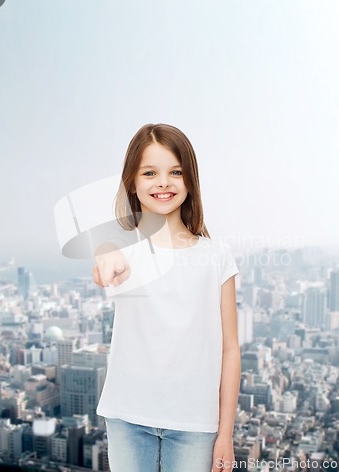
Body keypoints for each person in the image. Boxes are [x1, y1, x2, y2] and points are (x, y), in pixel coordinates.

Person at [93, 123, 240, 472]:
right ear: (132, 181)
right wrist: (106, 260)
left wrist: (226, 433)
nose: (163, 182)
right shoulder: (122, 248)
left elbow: (230, 348)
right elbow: (103, 267)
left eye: (176, 171)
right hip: (127, 417)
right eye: (150, 172)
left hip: (195, 423)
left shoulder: (217, 255)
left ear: (190, 179)